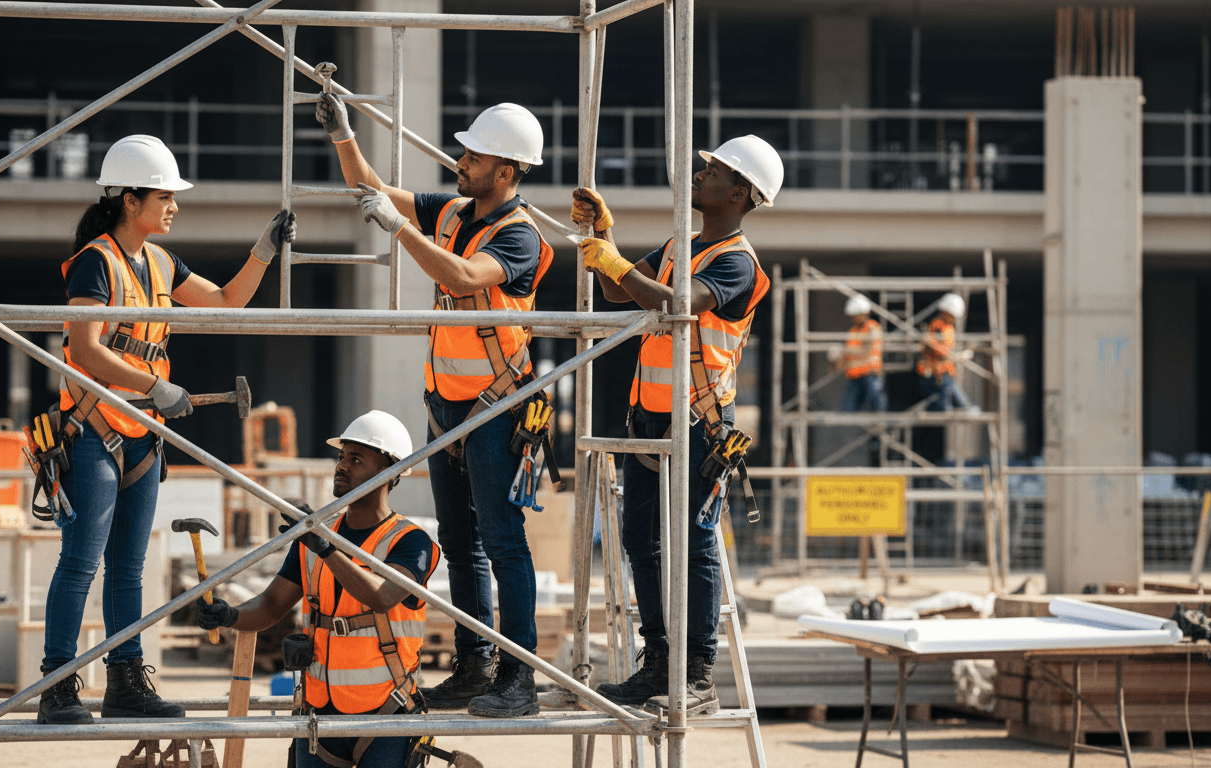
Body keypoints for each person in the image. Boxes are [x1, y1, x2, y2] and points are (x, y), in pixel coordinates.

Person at [38, 134, 296, 725]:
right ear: (130, 201)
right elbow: (84, 347)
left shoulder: (160, 261)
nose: (174, 205)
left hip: (142, 435)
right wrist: (154, 387)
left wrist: (263, 250)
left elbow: (227, 303)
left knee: (129, 567)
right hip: (94, 429)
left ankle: (125, 681)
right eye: (164, 196)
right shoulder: (95, 261)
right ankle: (58, 685)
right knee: (81, 562)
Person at [314, 95, 553, 717]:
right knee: (462, 541)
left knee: (503, 541)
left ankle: (518, 675)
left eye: (474, 154)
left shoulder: (520, 236)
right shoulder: (451, 212)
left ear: (507, 170)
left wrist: (400, 232)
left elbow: (466, 279)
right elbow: (369, 186)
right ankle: (475, 665)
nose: (461, 159)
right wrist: (345, 135)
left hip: (494, 409)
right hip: (446, 406)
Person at [573, 135, 782, 715]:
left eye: (712, 170)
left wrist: (612, 259)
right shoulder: (680, 244)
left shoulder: (737, 262)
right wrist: (603, 240)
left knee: (693, 543)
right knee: (642, 539)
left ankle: (698, 674)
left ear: (739, 193)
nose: (699, 172)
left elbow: (675, 305)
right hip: (649, 417)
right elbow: (619, 290)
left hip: (698, 422)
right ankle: (660, 662)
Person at [196, 411, 440, 768]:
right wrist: (231, 615)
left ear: (389, 472)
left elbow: (383, 596)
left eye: (356, 459)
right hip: (318, 710)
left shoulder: (412, 543)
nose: (341, 466)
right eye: (341, 457)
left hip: (387, 711)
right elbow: (271, 604)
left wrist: (325, 546)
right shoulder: (314, 537)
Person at [918, 293, 972, 412]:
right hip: (936, 369)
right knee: (944, 395)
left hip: (945, 368)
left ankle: (965, 407)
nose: (953, 319)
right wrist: (956, 357)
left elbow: (947, 347)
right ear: (946, 312)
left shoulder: (948, 328)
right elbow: (936, 347)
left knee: (951, 389)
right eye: (952, 315)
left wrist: (957, 355)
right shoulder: (937, 326)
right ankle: (964, 407)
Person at [838, 294, 886, 412]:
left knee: (877, 402)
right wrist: (839, 360)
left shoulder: (872, 328)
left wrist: (849, 354)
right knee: (848, 408)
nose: (853, 318)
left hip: (870, 373)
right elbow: (848, 352)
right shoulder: (852, 331)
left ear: (863, 313)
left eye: (855, 315)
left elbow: (868, 350)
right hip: (855, 375)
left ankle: (880, 423)